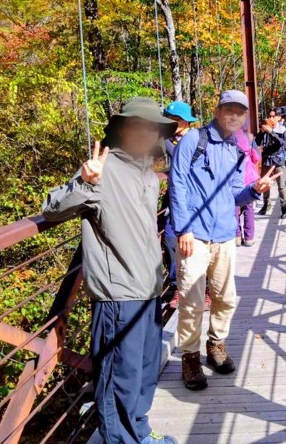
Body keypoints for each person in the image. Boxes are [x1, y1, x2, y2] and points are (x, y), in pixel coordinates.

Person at [41, 97, 179, 444]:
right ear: (121, 130)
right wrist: (85, 182)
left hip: (149, 287)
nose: (147, 134)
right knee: (120, 378)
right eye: (139, 126)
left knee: (143, 374)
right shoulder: (103, 169)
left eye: (154, 128)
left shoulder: (146, 174)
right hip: (118, 295)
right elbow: (53, 208)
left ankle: (141, 434)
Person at [169, 90, 282, 390]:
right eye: (229, 109)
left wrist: (255, 189)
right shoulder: (193, 140)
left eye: (240, 112)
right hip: (194, 236)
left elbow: (236, 194)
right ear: (217, 111)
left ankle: (215, 344)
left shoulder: (234, 148)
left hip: (224, 235)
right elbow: (177, 183)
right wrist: (183, 229)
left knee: (225, 297)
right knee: (192, 301)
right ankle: (190, 357)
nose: (234, 116)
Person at [159, 100, 198, 310]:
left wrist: (162, 137)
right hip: (176, 200)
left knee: (200, 244)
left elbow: (178, 156)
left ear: (185, 122)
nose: (170, 123)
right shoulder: (169, 139)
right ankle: (177, 289)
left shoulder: (196, 139)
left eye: (174, 119)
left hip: (196, 201)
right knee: (171, 241)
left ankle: (205, 288)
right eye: (168, 119)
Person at [254, 116, 286, 218]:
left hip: (278, 161)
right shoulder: (264, 130)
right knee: (264, 184)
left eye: (273, 116)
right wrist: (261, 132)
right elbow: (256, 143)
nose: (271, 118)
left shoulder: (282, 129)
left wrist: (272, 132)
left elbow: (282, 143)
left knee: (281, 186)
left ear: (279, 117)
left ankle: (284, 208)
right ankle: (266, 205)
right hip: (267, 160)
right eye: (270, 116)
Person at [235, 125, 260, 247]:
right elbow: (256, 158)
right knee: (248, 208)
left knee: (234, 208)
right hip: (248, 176)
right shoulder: (249, 138)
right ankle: (249, 237)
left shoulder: (225, 137)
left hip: (233, 177)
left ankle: (237, 237)